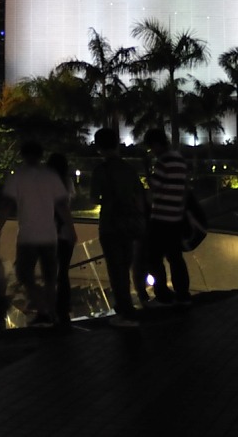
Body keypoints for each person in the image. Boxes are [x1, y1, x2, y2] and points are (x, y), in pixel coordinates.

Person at [0, 139, 70, 326]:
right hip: (49, 235)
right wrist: (70, 227)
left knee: (24, 275)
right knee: (50, 278)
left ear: (23, 155)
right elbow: (62, 205)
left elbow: (7, 205)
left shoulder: (18, 177)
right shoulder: (51, 176)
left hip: (27, 235)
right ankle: (51, 314)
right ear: (41, 155)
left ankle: (43, 309)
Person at [91, 127, 149, 326]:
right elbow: (139, 195)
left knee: (115, 270)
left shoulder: (100, 170)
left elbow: (94, 198)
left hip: (110, 224)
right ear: (116, 144)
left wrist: (107, 200)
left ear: (99, 147)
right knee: (125, 264)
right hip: (130, 224)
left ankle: (125, 312)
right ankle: (128, 308)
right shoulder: (128, 169)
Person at [141, 127, 192, 306]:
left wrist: (147, 173)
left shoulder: (163, 162)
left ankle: (162, 294)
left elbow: (154, 187)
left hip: (161, 217)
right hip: (176, 216)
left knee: (154, 257)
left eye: (151, 147)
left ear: (156, 144)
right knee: (175, 257)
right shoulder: (179, 159)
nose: (152, 151)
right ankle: (183, 294)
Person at [46, 152, 77, 325]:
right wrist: (72, 230)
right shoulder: (66, 183)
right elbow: (64, 207)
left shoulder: (45, 184)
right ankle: (63, 306)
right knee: (63, 272)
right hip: (63, 232)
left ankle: (51, 308)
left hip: (49, 232)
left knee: (51, 272)